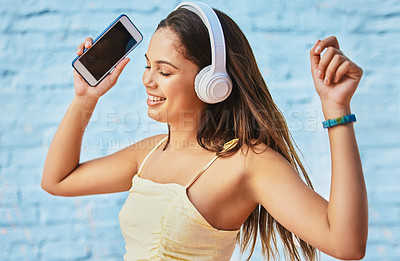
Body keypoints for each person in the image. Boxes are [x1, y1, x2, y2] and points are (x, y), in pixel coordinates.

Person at [41, 1, 368, 260]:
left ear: (212, 83)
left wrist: (336, 109)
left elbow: (345, 244)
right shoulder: (150, 152)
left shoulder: (248, 162)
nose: (147, 80)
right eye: (147, 65)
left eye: (165, 71)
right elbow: (58, 180)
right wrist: (84, 99)